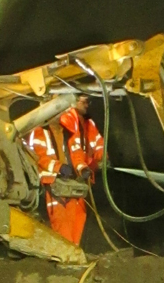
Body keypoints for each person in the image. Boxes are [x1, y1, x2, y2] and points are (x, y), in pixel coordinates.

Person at [27, 94, 106, 245]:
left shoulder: (68, 132)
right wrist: (59, 167)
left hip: (71, 183)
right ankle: (66, 259)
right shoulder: (39, 132)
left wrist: (83, 169)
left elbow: (76, 154)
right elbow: (40, 157)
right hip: (54, 185)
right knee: (62, 223)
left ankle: (73, 253)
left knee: (79, 217)